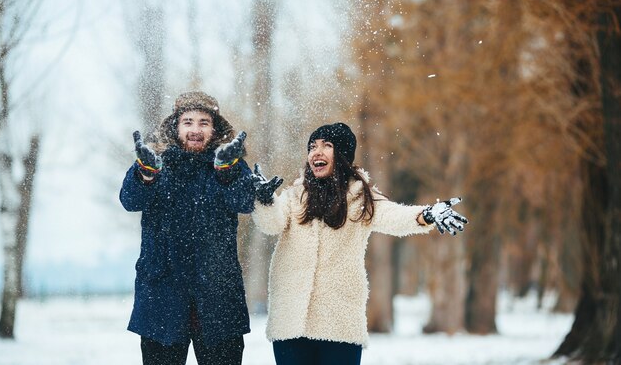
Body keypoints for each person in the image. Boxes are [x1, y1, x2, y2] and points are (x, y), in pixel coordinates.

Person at [250, 122, 468, 365]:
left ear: (341, 153)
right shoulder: (294, 196)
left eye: (326, 145)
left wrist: (426, 214)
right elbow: (272, 223)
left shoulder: (360, 197)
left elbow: (393, 216)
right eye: (312, 147)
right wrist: (265, 199)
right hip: (290, 321)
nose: (317, 152)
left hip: (339, 322)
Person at [119, 91, 255, 365]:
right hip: (163, 298)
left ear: (214, 128)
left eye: (204, 122)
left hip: (218, 300)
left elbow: (245, 202)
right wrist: (145, 173)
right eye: (188, 122)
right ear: (176, 126)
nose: (195, 129)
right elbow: (130, 201)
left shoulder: (228, 163)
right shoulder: (155, 161)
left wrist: (228, 172)